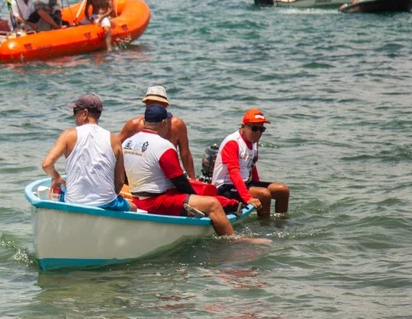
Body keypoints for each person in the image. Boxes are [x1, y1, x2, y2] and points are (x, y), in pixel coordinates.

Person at [121, 105, 266, 241]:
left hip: (137, 198)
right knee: (213, 203)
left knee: (209, 199)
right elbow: (179, 181)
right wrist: (196, 199)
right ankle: (235, 240)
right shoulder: (163, 145)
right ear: (164, 123)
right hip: (157, 202)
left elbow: (123, 177)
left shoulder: (128, 142)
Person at [40, 94, 126, 210]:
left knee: (53, 194)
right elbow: (120, 181)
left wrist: (56, 177)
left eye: (75, 112)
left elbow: (47, 164)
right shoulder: (114, 140)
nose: (74, 117)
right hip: (107, 205)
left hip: (73, 203)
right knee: (134, 208)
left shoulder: (68, 135)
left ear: (85, 113)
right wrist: (106, 199)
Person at [212, 109, 291, 221]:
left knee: (283, 190)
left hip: (245, 183)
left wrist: (257, 186)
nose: (258, 133)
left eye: (261, 129)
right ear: (243, 127)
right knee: (264, 194)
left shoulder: (254, 142)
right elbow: (234, 173)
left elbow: (252, 166)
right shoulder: (233, 143)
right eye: (254, 128)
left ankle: (281, 225)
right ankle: (265, 229)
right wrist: (248, 198)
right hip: (225, 186)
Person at [117, 86, 196, 180]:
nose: (153, 106)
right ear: (145, 105)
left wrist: (193, 179)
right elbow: (115, 146)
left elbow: (185, 154)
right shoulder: (135, 124)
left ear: (165, 105)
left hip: (169, 174)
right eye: (150, 103)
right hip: (141, 175)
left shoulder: (177, 125)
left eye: (157, 104)